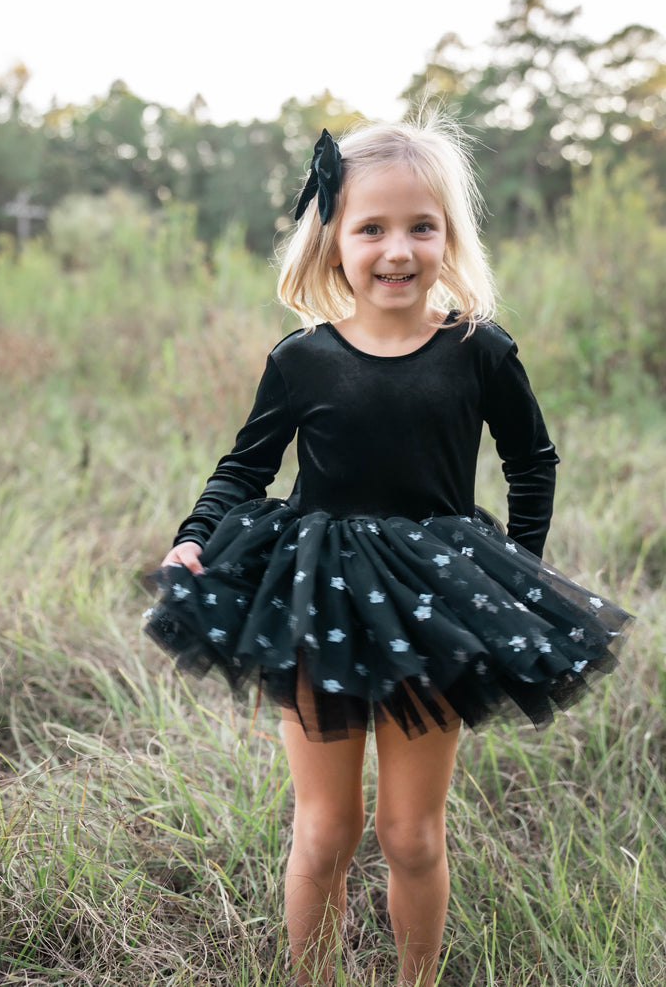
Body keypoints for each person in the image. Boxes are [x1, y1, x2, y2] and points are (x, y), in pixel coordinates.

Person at [144, 117, 630, 986]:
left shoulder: (479, 351)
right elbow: (244, 468)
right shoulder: (303, 359)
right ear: (333, 241)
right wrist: (192, 538)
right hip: (316, 596)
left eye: (421, 226)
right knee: (325, 828)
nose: (396, 249)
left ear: (449, 236)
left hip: (434, 599)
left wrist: (518, 572)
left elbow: (532, 460)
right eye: (371, 227)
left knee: (411, 832)